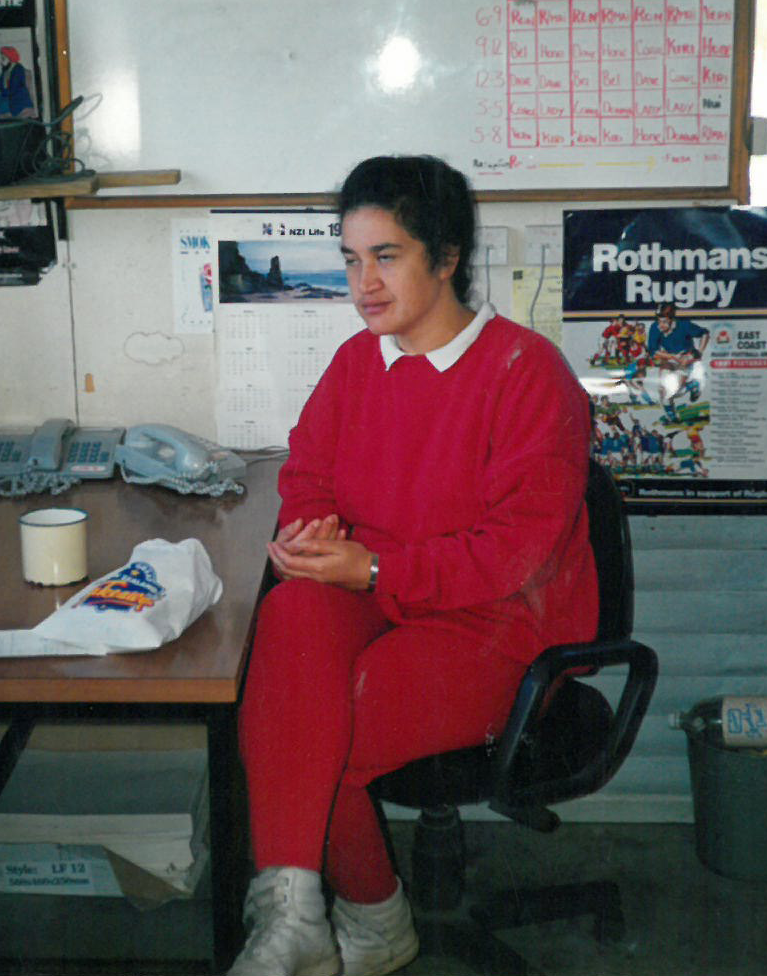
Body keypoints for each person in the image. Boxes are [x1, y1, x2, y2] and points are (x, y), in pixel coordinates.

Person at [229, 155, 598, 976]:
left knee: (310, 735)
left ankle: (372, 922)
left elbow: (512, 555)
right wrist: (311, 531)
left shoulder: (526, 372)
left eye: (386, 256)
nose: (363, 284)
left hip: (496, 625)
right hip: (381, 592)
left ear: (446, 257)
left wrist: (369, 572)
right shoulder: (358, 361)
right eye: (350, 259)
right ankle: (292, 911)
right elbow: (308, 469)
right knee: (288, 616)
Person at [645, 303, 710, 369]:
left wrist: (699, 353)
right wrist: (672, 356)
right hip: (671, 360)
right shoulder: (655, 327)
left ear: (672, 320)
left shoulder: (684, 325)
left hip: (689, 358)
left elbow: (705, 333)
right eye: (659, 321)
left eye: (664, 321)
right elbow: (652, 350)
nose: (660, 325)